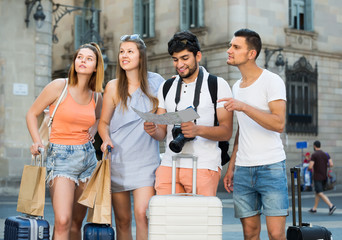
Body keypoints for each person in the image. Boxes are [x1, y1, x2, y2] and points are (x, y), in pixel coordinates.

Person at [26, 42, 104, 240]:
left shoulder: (96, 95)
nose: (83, 61)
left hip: (87, 159)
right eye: (80, 57)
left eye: (89, 58)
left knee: (77, 223)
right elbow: (31, 113)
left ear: (96, 66)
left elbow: (98, 118)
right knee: (62, 221)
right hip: (60, 159)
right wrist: (37, 141)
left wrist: (91, 134)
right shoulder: (59, 86)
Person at [144, 30, 233, 197]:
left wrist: (197, 130)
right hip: (169, 163)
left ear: (197, 56)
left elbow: (226, 132)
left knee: (198, 222)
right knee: (166, 220)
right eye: (175, 60)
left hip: (203, 165)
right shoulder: (167, 86)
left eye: (185, 58)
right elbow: (162, 132)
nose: (179, 65)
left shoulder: (217, 85)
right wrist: (153, 129)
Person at [219, 29, 288, 240]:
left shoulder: (272, 81)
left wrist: (244, 107)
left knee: (276, 235)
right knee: (250, 233)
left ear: (251, 53)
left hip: (271, 167)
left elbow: (278, 123)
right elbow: (243, 128)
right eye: (230, 46)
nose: (229, 50)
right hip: (243, 170)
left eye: (236, 47)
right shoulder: (236, 87)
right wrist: (231, 167)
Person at [98, 34, 164, 240]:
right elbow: (103, 123)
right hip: (118, 160)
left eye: (130, 51)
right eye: (122, 52)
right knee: (123, 220)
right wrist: (105, 139)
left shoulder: (157, 83)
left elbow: (164, 125)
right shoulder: (112, 86)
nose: (124, 56)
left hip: (146, 161)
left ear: (141, 57)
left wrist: (156, 130)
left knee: (143, 215)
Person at [308, 140, 336, 214]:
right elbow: (331, 164)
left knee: (320, 192)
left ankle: (331, 205)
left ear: (314, 146)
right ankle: (314, 208)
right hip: (324, 176)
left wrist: (308, 169)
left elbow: (310, 166)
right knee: (317, 192)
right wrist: (324, 165)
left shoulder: (314, 155)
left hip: (317, 176)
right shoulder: (326, 154)